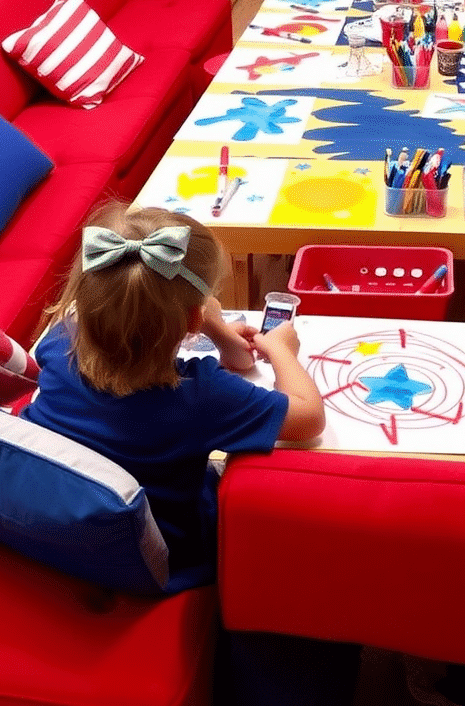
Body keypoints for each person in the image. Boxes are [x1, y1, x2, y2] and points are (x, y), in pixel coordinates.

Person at [24, 201, 325, 591]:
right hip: (161, 553)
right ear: (193, 319)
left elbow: (232, 358)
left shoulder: (60, 339)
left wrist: (212, 326)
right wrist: (281, 348)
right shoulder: (201, 396)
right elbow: (309, 418)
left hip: (62, 523)